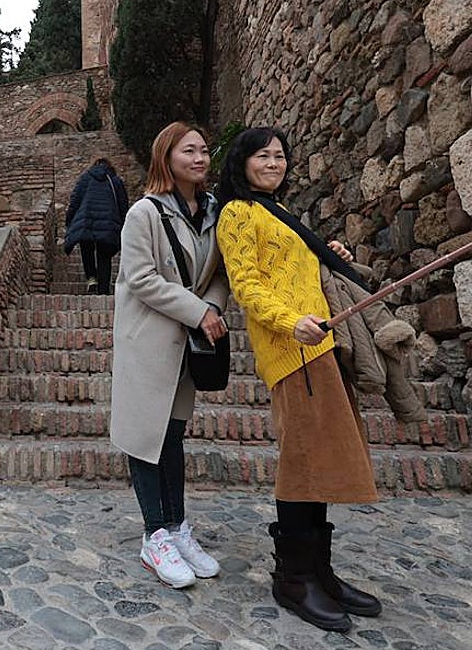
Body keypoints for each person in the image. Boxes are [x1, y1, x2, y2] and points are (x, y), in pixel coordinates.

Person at [215, 126, 382, 633]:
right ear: (241, 162)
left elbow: (292, 273)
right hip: (293, 351)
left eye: (280, 156)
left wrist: (328, 257)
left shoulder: (280, 211)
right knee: (302, 459)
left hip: (322, 345)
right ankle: (292, 577)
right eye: (263, 156)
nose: (274, 163)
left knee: (321, 457)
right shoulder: (238, 213)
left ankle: (319, 572)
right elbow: (246, 285)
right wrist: (291, 322)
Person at [109, 122, 229, 589]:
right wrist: (199, 311)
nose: (199, 159)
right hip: (149, 340)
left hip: (188, 343)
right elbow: (140, 277)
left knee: (173, 436)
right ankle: (153, 535)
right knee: (146, 438)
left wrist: (212, 308)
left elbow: (219, 274)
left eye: (204, 151)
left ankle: (178, 529)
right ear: (166, 157)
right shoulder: (144, 212)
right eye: (189, 151)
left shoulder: (213, 212)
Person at [64, 158, 129, 294]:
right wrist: (123, 225)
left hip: (85, 220)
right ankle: (103, 290)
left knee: (86, 248)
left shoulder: (85, 178)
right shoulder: (115, 181)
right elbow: (123, 204)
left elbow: (75, 201)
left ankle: (91, 279)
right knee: (104, 255)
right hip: (108, 223)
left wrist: (69, 221)